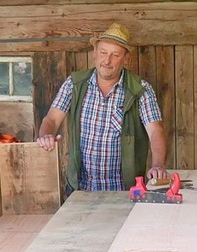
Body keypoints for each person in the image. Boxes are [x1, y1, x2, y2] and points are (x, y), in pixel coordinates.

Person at [36, 23, 169, 194]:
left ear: (126, 59)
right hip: (80, 190)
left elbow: (155, 131)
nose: (107, 61)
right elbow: (52, 119)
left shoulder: (140, 90)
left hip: (124, 192)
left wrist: (158, 165)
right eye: (103, 53)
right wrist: (45, 135)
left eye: (115, 55)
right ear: (95, 54)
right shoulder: (75, 84)